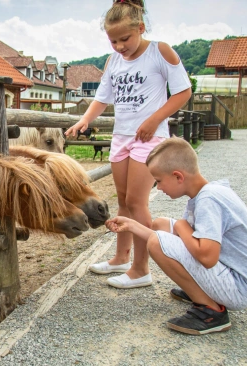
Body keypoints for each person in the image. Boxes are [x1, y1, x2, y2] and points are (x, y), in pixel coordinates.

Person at [65, 0, 192, 288]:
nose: (120, 46)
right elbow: (102, 97)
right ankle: (121, 258)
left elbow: (183, 92)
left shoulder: (160, 51)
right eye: (113, 41)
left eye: (125, 39)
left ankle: (141, 268)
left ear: (141, 28)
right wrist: (84, 119)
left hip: (150, 137)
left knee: (137, 202)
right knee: (122, 201)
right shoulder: (113, 61)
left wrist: (153, 120)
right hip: (121, 137)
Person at [105, 137, 247, 334]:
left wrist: (181, 226)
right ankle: (199, 290)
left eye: (159, 181)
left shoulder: (209, 200)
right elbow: (180, 241)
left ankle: (211, 310)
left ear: (178, 176)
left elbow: (207, 257)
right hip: (229, 275)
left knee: (157, 242)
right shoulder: (204, 194)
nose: (159, 188)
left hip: (240, 288)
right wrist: (131, 225)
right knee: (160, 225)